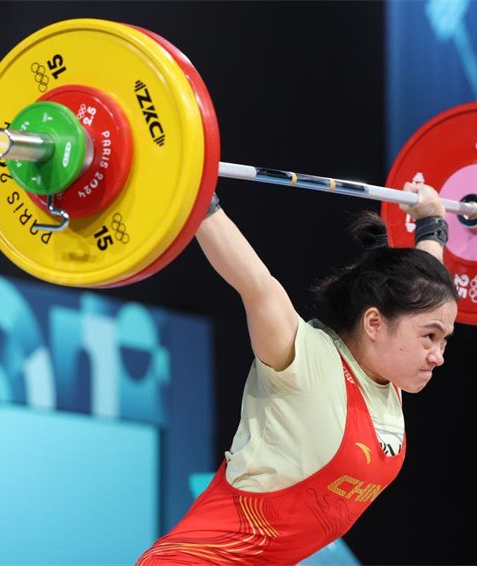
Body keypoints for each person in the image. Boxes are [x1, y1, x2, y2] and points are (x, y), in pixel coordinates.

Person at [136, 182, 458, 565]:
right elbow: (257, 285)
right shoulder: (304, 360)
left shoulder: (387, 379)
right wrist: (197, 192)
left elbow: (424, 287)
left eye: (444, 340)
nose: (437, 356)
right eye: (429, 338)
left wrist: (432, 226)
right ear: (374, 323)